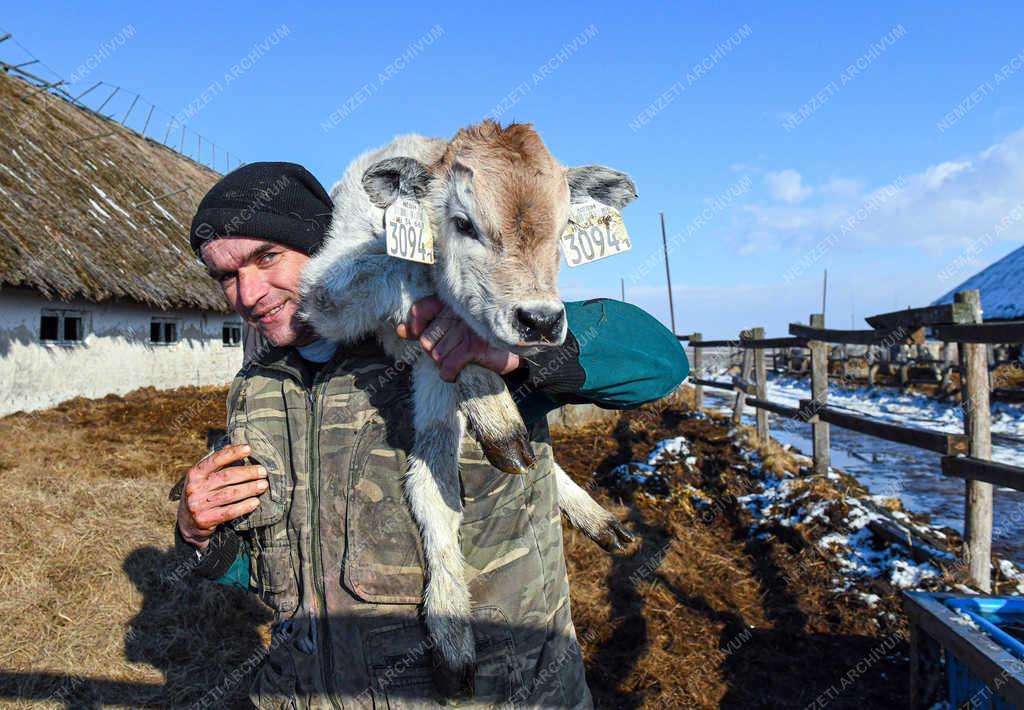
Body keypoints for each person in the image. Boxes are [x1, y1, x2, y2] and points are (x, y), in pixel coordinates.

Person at [175, 162, 688, 709]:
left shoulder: (448, 338)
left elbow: (657, 362)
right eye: (225, 276)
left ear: (325, 248)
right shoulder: (257, 390)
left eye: (267, 257)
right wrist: (202, 537)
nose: (248, 293)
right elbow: (278, 568)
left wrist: (510, 354)